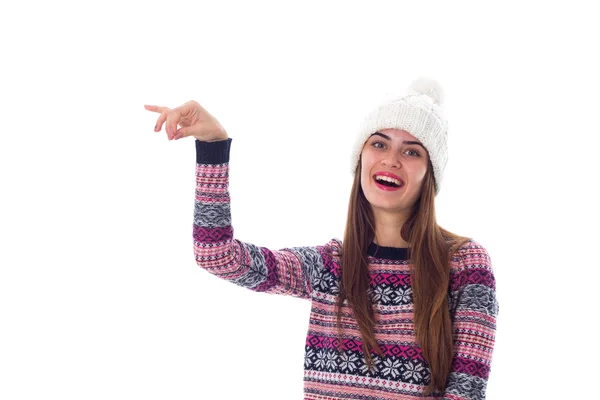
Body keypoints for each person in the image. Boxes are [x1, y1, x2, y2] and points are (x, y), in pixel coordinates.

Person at [144, 77, 499, 399]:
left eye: (411, 151)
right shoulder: (330, 266)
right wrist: (213, 145)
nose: (391, 160)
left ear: (429, 173)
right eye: (379, 144)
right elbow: (217, 255)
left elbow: (467, 390)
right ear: (361, 159)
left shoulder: (464, 263)